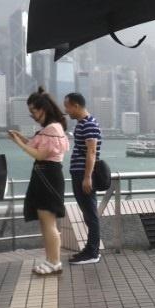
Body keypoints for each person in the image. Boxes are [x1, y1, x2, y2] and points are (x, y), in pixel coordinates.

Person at [7, 88, 70, 276]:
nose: (32, 115)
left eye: (34, 111)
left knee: (48, 223)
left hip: (47, 177)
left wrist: (18, 143)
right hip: (47, 175)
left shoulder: (51, 129)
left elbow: (40, 154)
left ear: (43, 109)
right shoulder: (52, 128)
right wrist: (21, 138)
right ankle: (51, 260)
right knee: (45, 222)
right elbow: (38, 146)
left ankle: (55, 261)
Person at [63, 93, 104, 265]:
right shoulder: (82, 124)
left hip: (84, 174)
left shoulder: (88, 124)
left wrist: (87, 177)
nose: (66, 110)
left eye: (67, 106)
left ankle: (93, 252)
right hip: (79, 173)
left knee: (90, 213)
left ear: (76, 106)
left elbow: (92, 152)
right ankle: (90, 248)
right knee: (88, 213)